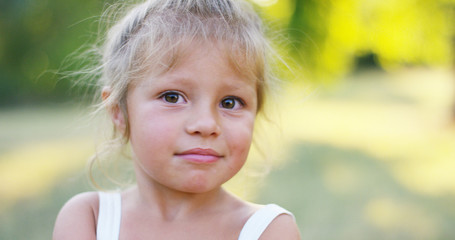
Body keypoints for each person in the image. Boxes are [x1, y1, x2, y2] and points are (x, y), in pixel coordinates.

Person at [53, 0, 300, 239]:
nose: (206, 124)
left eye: (230, 102)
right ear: (119, 110)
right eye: (172, 97)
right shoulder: (90, 220)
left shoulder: (269, 231)